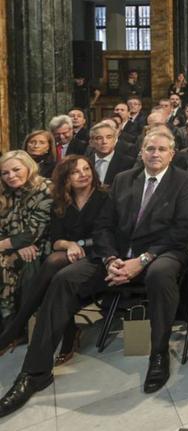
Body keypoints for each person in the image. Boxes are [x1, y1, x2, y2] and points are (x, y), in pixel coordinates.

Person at [0, 128, 188, 418]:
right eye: (149, 148)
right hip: (116, 256)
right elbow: (104, 226)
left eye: (161, 149)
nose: (155, 154)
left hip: (160, 253)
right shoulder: (123, 179)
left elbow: (184, 230)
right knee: (64, 278)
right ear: (141, 151)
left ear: (171, 153)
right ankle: (35, 371)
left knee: (160, 274)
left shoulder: (185, 181)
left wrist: (141, 260)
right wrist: (109, 259)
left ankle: (158, 355)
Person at [0, 156, 108, 365]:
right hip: (66, 254)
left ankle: (15, 328)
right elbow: (57, 239)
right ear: (66, 178)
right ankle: (64, 335)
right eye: (76, 172)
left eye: (87, 169)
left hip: (99, 253)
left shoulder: (105, 197)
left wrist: (78, 244)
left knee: (53, 267)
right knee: (55, 267)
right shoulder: (62, 202)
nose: (83, 174)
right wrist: (69, 245)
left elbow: (106, 235)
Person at [0, 151, 53, 327]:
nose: (11, 176)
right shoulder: (5, 191)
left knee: (27, 261)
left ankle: (18, 325)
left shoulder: (45, 189)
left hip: (44, 245)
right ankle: (8, 321)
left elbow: (33, 233)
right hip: (15, 245)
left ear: (29, 168)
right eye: (5, 173)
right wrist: (14, 245)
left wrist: (9, 245)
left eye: (16, 169)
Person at [88, 121, 136, 188]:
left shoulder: (128, 163)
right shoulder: (86, 162)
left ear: (115, 140)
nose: (104, 142)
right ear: (91, 142)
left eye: (109, 137)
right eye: (99, 138)